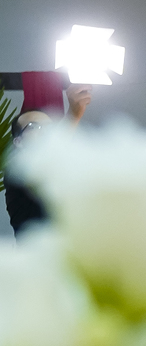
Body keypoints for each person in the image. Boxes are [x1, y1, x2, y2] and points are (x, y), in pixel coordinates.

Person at [3, 77, 91, 234]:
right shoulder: (15, 171)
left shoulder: (69, 169)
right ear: (18, 142)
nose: (45, 133)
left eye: (49, 128)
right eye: (34, 127)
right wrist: (73, 115)